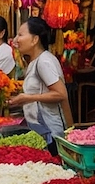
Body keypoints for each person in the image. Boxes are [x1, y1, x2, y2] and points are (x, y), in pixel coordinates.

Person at [9, 17, 72, 154]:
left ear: (34, 40)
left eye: (20, 34)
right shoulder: (35, 61)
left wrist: (27, 98)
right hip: (41, 132)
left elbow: (60, 94)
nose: (16, 39)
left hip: (52, 135)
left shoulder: (44, 62)